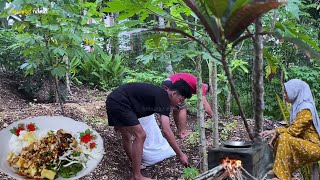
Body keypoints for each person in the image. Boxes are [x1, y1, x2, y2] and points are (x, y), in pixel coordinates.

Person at [106, 80, 192, 180]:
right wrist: (180, 154)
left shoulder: (160, 94)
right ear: (173, 93)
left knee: (127, 136)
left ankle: (135, 166)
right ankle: (137, 175)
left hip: (114, 99)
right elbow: (166, 130)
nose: (180, 103)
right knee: (140, 135)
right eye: (181, 100)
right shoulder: (164, 98)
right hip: (120, 102)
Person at [260, 79, 320, 180]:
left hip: (315, 148)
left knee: (285, 137)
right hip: (305, 143)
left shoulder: (305, 109)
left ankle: (281, 176)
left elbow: (293, 131)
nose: (284, 94)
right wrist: (274, 132)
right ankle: (279, 171)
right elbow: (291, 128)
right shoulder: (297, 106)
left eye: (286, 92)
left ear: (295, 92)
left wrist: (275, 131)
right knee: (281, 137)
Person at [162, 73, 213, 139]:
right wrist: (213, 116)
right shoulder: (202, 86)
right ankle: (183, 132)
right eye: (206, 92)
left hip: (167, 82)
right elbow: (204, 103)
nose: (204, 93)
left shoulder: (194, 84)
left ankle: (179, 131)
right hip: (172, 84)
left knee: (177, 108)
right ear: (206, 87)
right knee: (182, 107)